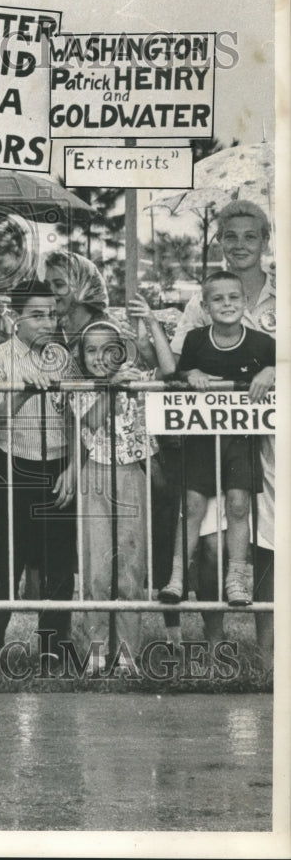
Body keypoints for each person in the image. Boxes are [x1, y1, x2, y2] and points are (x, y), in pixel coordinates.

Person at [169, 200, 276, 663]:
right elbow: (177, 362)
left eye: (249, 236)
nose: (239, 245)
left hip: (273, 436)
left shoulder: (284, 292)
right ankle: (216, 649)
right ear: (218, 242)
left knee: (271, 537)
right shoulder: (202, 299)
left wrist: (277, 368)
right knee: (211, 540)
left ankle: (271, 652)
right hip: (217, 435)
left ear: (265, 240)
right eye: (229, 236)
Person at [0, 280, 78, 671]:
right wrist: (22, 394)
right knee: (4, 560)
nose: (47, 322)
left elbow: (73, 414)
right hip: (13, 465)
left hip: (57, 466)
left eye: (52, 313)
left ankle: (53, 647)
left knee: (58, 562)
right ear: (15, 318)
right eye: (37, 315)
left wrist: (71, 467)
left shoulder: (62, 357)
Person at [160, 270, 275, 608]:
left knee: (239, 504)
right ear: (205, 306)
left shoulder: (262, 343)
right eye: (218, 299)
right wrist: (189, 373)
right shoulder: (196, 340)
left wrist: (271, 371)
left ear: (244, 302)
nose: (227, 304)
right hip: (200, 438)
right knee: (193, 506)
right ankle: (177, 578)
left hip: (240, 438)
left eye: (233, 298)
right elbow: (173, 373)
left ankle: (237, 578)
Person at [70, 303, 175, 673]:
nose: (100, 358)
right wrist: (110, 391)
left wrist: (149, 321)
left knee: (130, 566)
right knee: (97, 568)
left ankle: (128, 652)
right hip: (95, 476)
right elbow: (88, 426)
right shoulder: (80, 386)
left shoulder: (137, 377)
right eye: (91, 351)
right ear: (81, 356)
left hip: (132, 473)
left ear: (121, 350)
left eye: (107, 349)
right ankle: (96, 650)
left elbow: (169, 368)